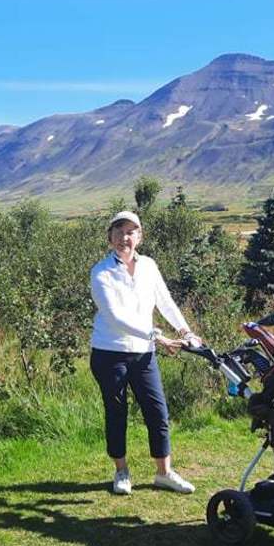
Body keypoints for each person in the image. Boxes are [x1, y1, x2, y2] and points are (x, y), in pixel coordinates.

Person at [89, 209, 202, 495]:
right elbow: (114, 317)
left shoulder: (149, 266)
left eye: (130, 232)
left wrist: (185, 331)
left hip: (144, 353)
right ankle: (121, 472)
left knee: (157, 411)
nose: (124, 238)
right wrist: (155, 335)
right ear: (110, 237)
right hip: (109, 353)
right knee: (117, 412)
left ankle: (164, 473)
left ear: (139, 236)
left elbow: (165, 301)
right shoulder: (101, 272)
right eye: (118, 232)